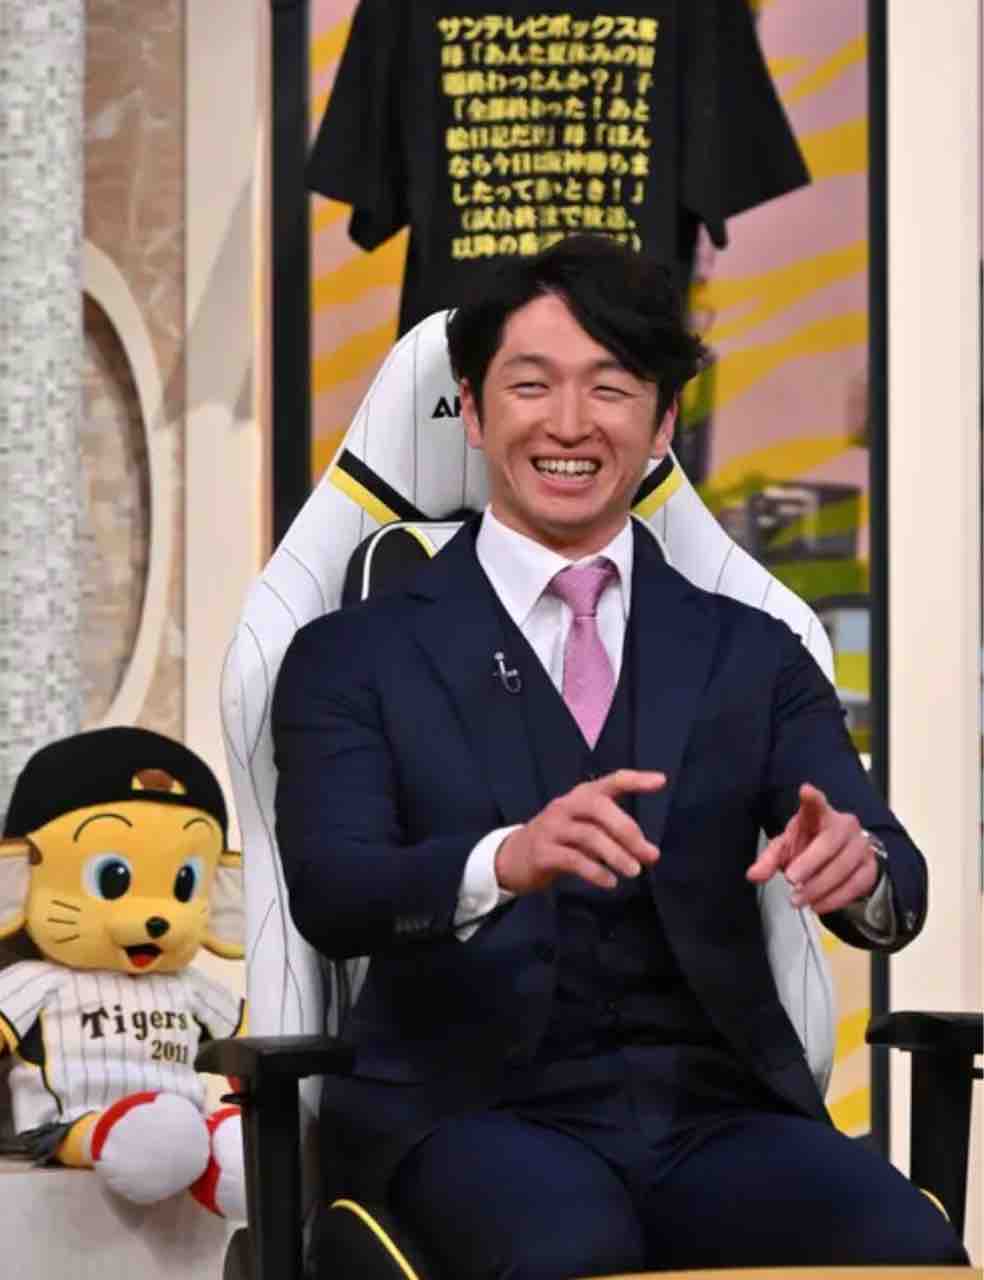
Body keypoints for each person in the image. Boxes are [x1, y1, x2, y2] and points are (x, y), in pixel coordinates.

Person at [272, 235, 967, 1278]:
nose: (568, 423)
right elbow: (334, 890)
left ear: (662, 422)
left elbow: (895, 878)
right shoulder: (352, 652)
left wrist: (858, 869)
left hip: (717, 1116)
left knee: (911, 1249)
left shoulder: (753, 650)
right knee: (571, 1251)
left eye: (610, 388)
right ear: (473, 410)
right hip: (468, 1114)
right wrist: (503, 860)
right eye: (530, 385)